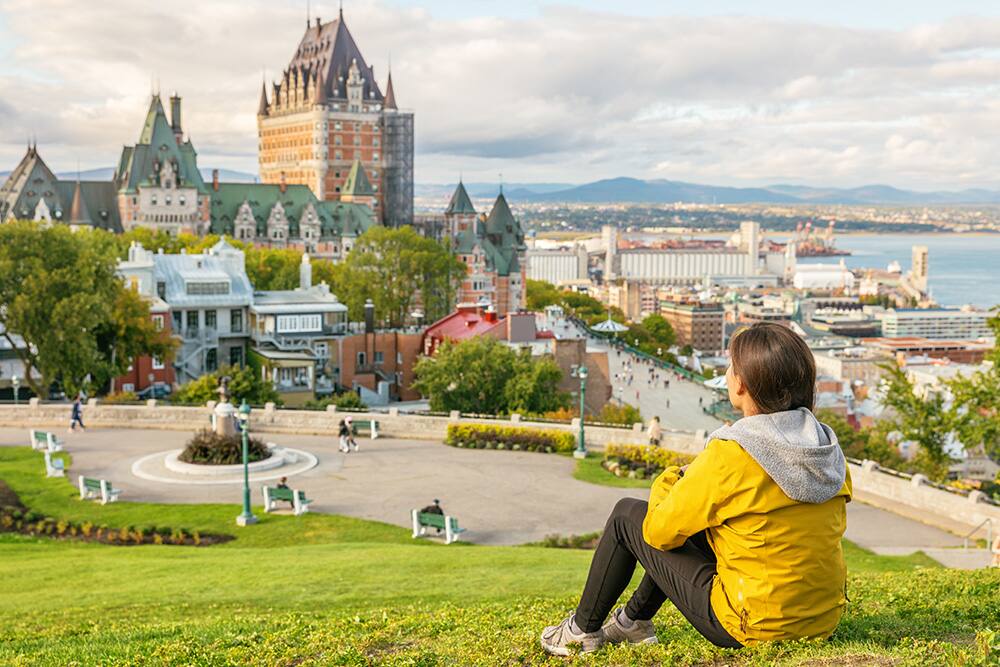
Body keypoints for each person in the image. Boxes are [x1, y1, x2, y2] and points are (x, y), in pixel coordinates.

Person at [540, 321, 851, 656]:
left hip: (753, 624)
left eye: (732, 367)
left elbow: (658, 532)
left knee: (626, 516)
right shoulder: (825, 449)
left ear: (742, 384)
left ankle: (580, 631)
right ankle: (633, 622)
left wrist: (672, 478)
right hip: (821, 620)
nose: (729, 374)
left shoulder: (733, 454)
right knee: (703, 527)